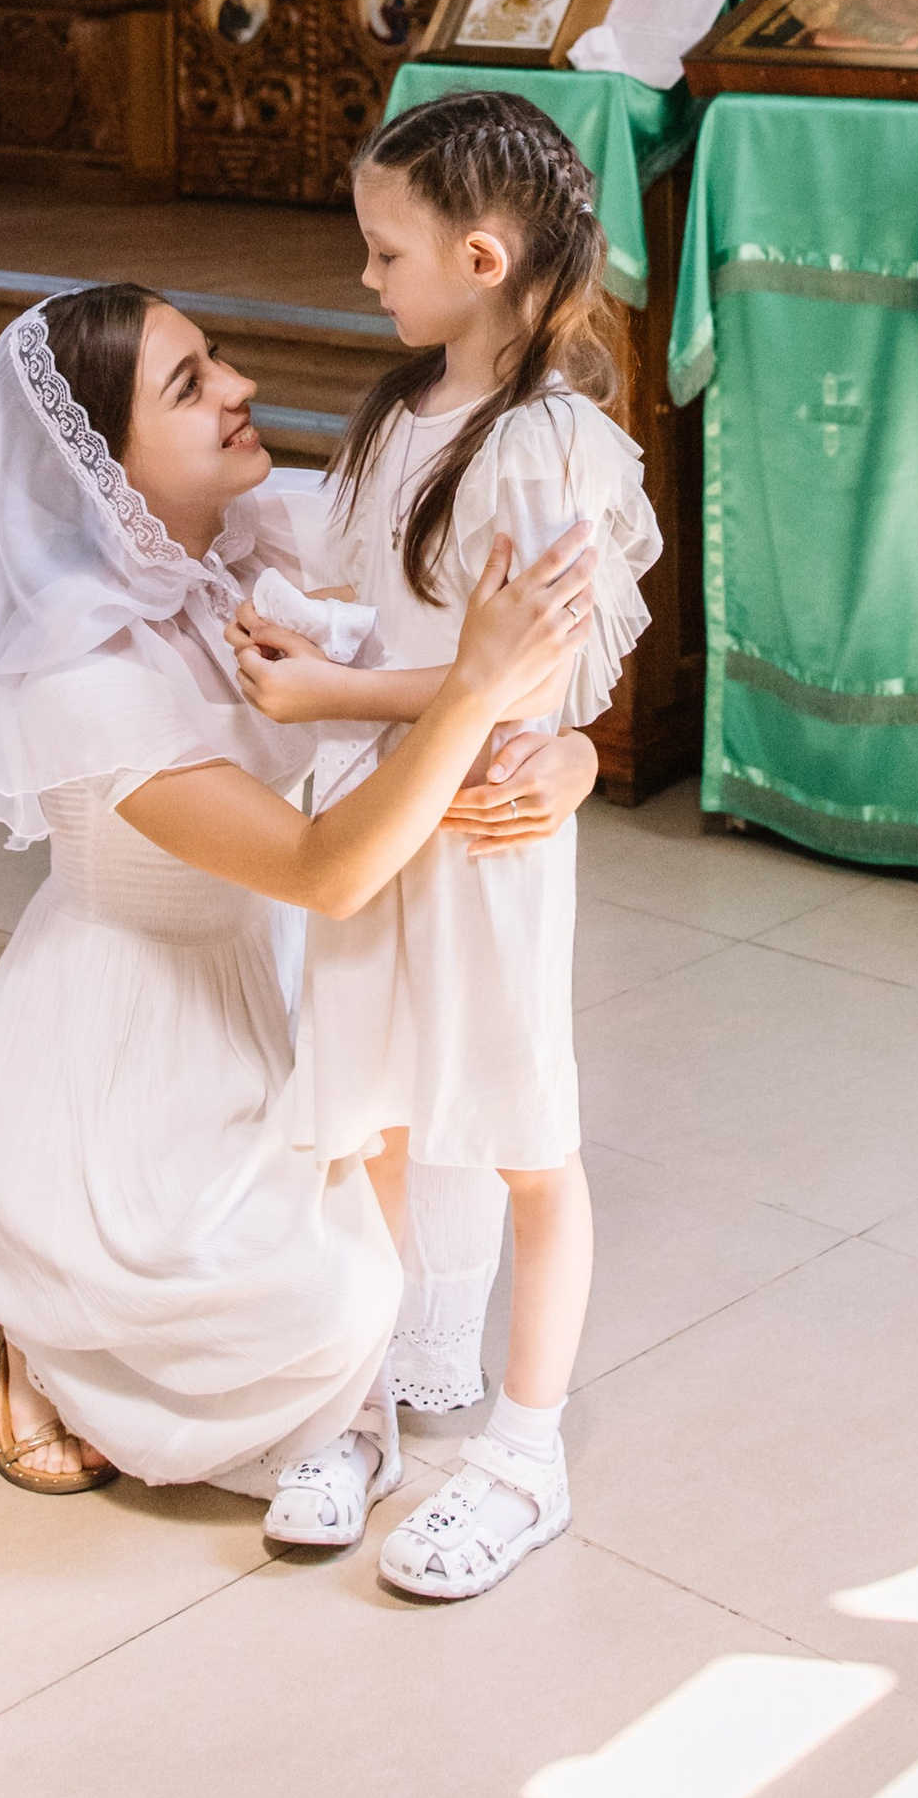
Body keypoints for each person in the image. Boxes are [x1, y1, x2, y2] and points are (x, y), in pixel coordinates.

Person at [0, 287, 603, 1506]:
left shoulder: (267, 535)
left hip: (273, 979)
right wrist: (470, 694)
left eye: (219, 358)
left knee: (426, 1192)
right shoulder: (81, 680)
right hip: (121, 1046)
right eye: (188, 387)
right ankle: (39, 1310)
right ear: (105, 464)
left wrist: (572, 754)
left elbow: (521, 621)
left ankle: (90, 1308)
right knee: (340, 1299)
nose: (241, 387)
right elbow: (325, 871)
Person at [234, 93, 661, 1597]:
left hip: (476, 826)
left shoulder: (545, 448)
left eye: (384, 251)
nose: (367, 279)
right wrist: (316, 638)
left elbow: (518, 681)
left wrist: (339, 685)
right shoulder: (397, 411)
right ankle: (359, 1410)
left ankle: (525, 1453)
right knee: (372, 1118)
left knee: (524, 1139)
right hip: (377, 806)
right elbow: (402, 614)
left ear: (480, 258)